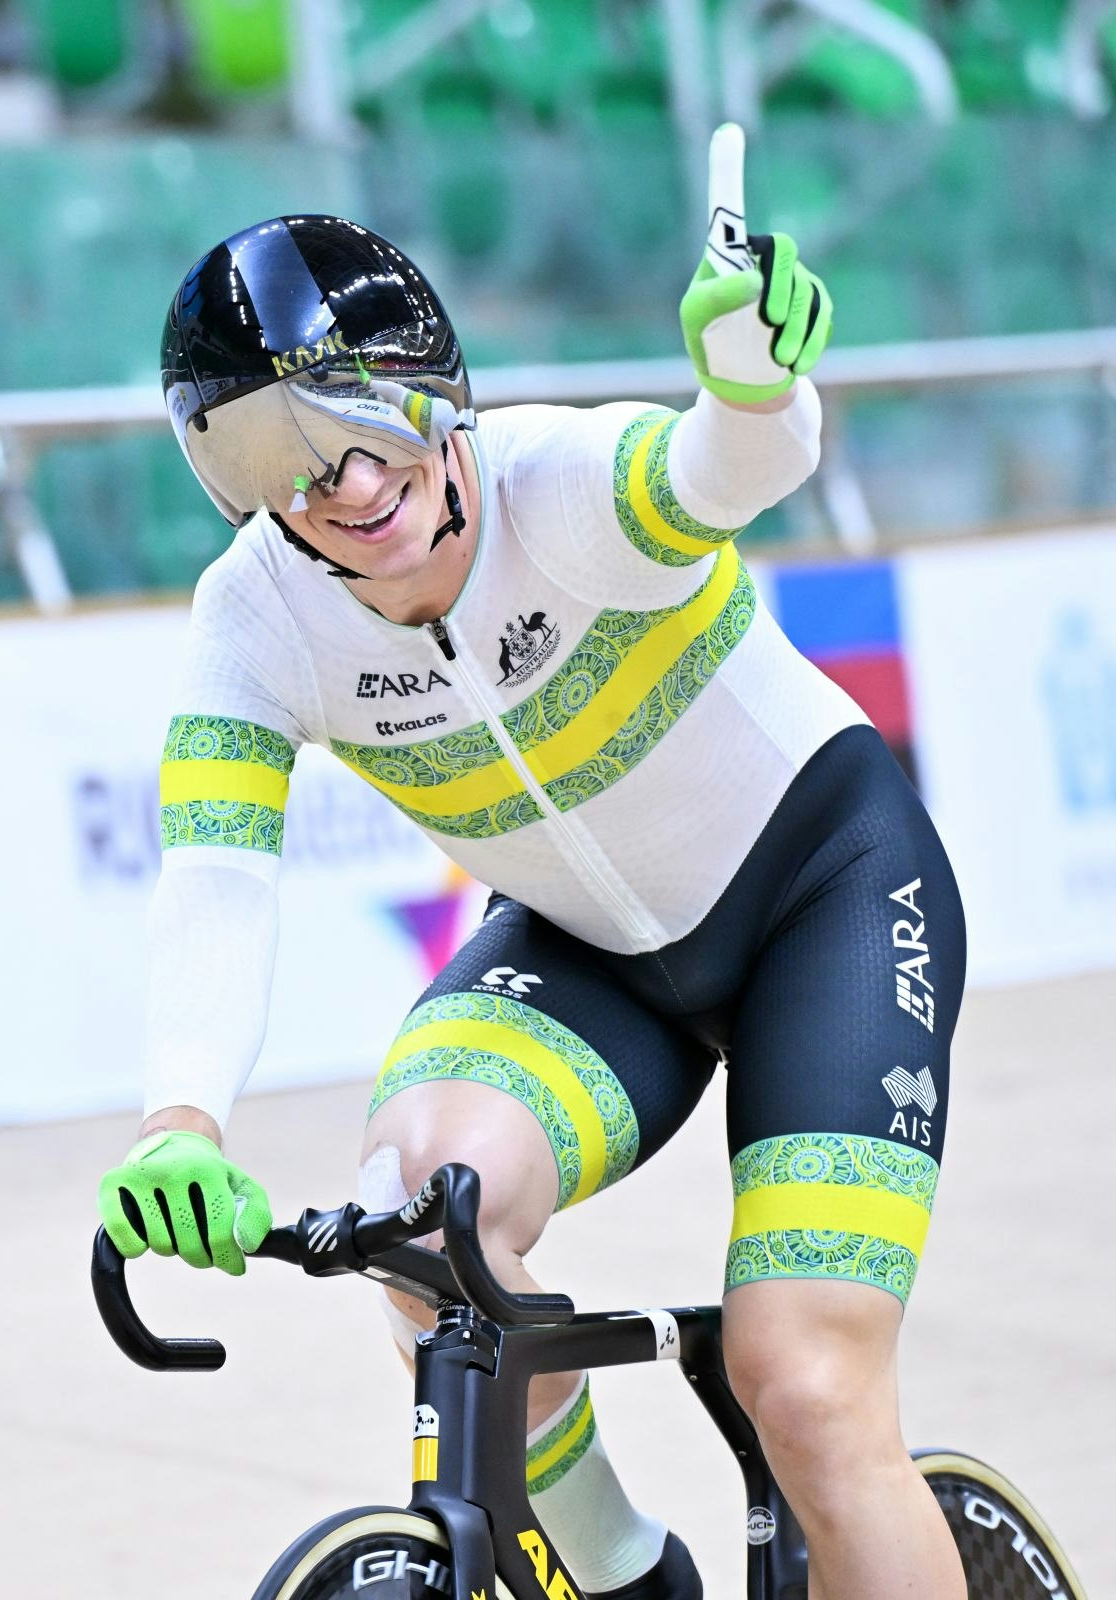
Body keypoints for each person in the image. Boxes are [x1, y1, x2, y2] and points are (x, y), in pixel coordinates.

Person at [98, 127, 967, 1600]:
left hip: (825, 888)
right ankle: (629, 1579)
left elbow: (724, 466)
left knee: (805, 1388)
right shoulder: (252, 622)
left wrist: (754, 383)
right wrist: (182, 1122)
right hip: (586, 947)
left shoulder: (558, 485)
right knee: (413, 1216)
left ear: (442, 394)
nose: (338, 480)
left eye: (361, 417)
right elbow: (217, 876)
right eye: (264, 454)